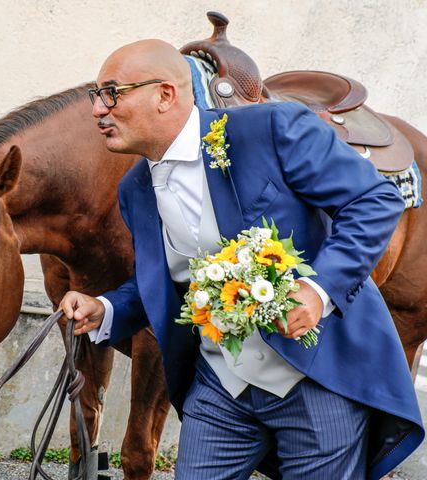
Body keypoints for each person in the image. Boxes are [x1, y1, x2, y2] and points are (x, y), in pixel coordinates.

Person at [60, 39, 423, 479]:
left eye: (112, 92)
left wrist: (318, 289)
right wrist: (108, 308)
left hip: (319, 376)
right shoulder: (135, 190)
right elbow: (168, 279)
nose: (98, 109)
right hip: (220, 387)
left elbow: (373, 200)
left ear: (165, 95)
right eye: (97, 96)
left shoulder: (269, 129)